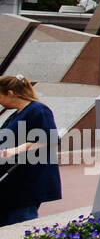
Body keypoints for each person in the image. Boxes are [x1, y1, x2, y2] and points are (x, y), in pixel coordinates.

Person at [0, 75, 62, 226]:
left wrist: (16, 150)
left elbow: (50, 138)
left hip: (26, 183)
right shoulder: (16, 114)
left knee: (20, 224)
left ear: (10, 93)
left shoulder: (38, 110)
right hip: (12, 184)